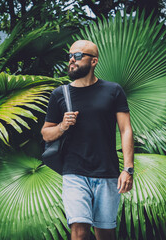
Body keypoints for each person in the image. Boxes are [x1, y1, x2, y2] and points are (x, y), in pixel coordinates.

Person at [41, 40, 134, 240]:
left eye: (78, 55)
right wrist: (62, 126)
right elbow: (46, 134)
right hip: (74, 172)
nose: (71, 60)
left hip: (107, 172)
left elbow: (125, 129)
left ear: (94, 61)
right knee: (80, 231)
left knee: (105, 234)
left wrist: (128, 169)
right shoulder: (60, 94)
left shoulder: (113, 90)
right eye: (69, 56)